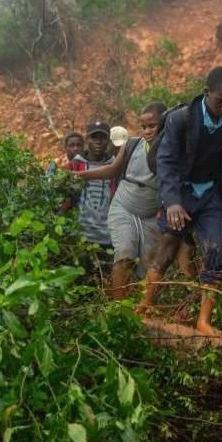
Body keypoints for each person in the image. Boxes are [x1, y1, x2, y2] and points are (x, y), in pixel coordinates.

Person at [139, 66, 222, 335]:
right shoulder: (181, 119)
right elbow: (166, 162)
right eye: (219, 101)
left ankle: (203, 322)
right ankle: (145, 304)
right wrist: (173, 202)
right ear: (206, 93)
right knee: (167, 251)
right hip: (182, 193)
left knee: (215, 252)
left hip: (211, 195)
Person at [79, 103, 196, 298]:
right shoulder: (133, 145)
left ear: (166, 124)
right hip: (124, 207)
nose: (147, 131)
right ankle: (117, 309)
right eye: (143, 126)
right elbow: (113, 170)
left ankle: (138, 311)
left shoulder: (175, 152)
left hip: (150, 216)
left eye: (153, 126)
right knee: (125, 253)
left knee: (147, 265)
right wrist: (81, 175)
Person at [69, 121, 115, 274]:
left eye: (103, 138)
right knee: (80, 279)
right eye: (94, 137)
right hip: (81, 235)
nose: (98, 142)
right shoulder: (75, 165)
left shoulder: (115, 165)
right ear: (87, 139)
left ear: (108, 141)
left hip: (107, 236)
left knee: (105, 280)